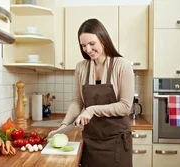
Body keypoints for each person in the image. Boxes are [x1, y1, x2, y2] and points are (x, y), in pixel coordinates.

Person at [49, 18, 134, 167]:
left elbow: (126, 106)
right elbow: (77, 101)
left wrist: (92, 110)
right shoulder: (81, 67)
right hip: (91, 141)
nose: (87, 50)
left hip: (116, 142)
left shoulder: (123, 66)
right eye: (83, 45)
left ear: (103, 39)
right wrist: (63, 125)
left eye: (91, 44)